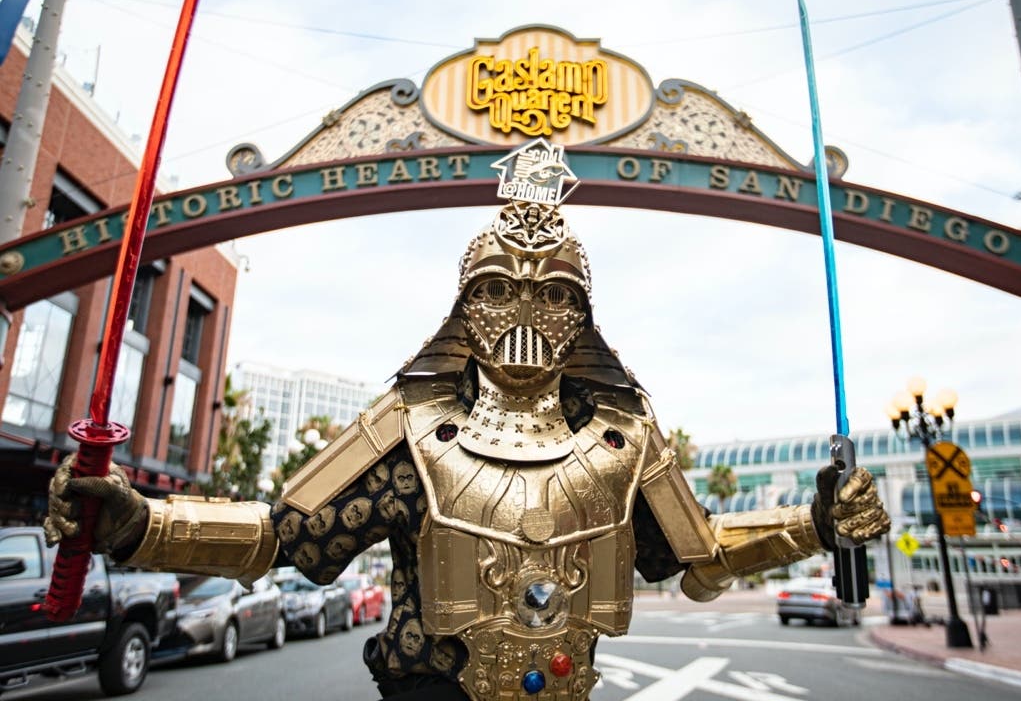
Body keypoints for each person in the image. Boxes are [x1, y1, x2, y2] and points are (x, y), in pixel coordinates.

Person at [45, 144, 890, 701]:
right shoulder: (407, 428)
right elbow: (283, 538)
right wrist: (142, 524)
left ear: (582, 316)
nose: (525, 312)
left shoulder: (623, 433)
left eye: (552, 295)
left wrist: (814, 524)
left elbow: (698, 556)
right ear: (464, 307)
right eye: (499, 290)